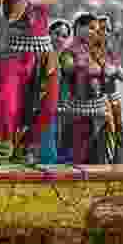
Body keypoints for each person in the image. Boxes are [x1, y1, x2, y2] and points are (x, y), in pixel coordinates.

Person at [0, 0, 59, 165]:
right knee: (6, 102)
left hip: (44, 55)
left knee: (44, 105)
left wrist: (30, 1)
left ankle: (27, 148)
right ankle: (3, 152)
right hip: (16, 54)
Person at [59, 12, 110, 165]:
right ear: (79, 28)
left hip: (98, 103)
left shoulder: (94, 48)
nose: (95, 32)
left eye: (96, 29)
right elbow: (67, 67)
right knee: (79, 146)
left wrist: (105, 69)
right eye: (91, 28)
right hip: (79, 106)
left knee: (98, 148)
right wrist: (82, 66)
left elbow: (105, 68)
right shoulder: (69, 48)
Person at [98, 15, 123, 158]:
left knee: (117, 134)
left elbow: (122, 75)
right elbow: (107, 71)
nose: (105, 33)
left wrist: (114, 69)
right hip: (98, 101)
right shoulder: (89, 50)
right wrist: (113, 70)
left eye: (108, 30)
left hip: (113, 98)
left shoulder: (110, 51)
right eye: (102, 29)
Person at [49, 18, 73, 162]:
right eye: (57, 34)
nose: (59, 38)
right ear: (49, 34)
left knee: (63, 142)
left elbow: (71, 69)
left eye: (64, 36)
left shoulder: (67, 56)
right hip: (43, 106)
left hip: (63, 105)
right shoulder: (40, 55)